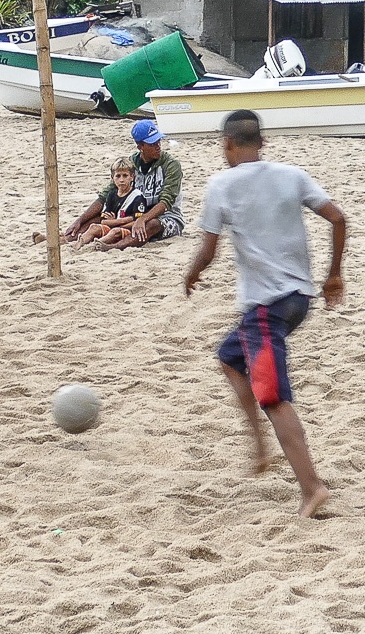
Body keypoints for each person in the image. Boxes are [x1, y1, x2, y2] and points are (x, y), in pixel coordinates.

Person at [184, 110, 347, 519]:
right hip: (298, 301)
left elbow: (208, 251)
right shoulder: (291, 175)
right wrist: (333, 276)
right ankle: (260, 448)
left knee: (274, 397)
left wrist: (192, 272)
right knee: (229, 357)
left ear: (227, 144)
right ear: (262, 142)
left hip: (265, 309)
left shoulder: (221, 184)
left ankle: (312, 488)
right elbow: (338, 217)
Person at [101, 119, 184, 250]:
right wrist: (79, 221)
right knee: (101, 215)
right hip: (134, 214)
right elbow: (106, 194)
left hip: (168, 217)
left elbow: (166, 202)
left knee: (151, 225)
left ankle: (113, 247)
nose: (158, 145)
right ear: (140, 146)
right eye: (152, 143)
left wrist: (142, 219)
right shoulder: (131, 163)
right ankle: (71, 236)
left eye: (158, 141)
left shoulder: (171, 165)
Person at [37, 158, 146, 248]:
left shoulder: (137, 197)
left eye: (125, 176)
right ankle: (75, 242)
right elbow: (104, 221)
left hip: (124, 230)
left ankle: (96, 244)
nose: (121, 180)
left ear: (132, 177)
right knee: (94, 226)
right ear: (112, 178)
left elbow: (137, 222)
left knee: (115, 231)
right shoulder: (111, 195)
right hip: (112, 226)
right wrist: (120, 220)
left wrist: (115, 221)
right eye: (118, 176)